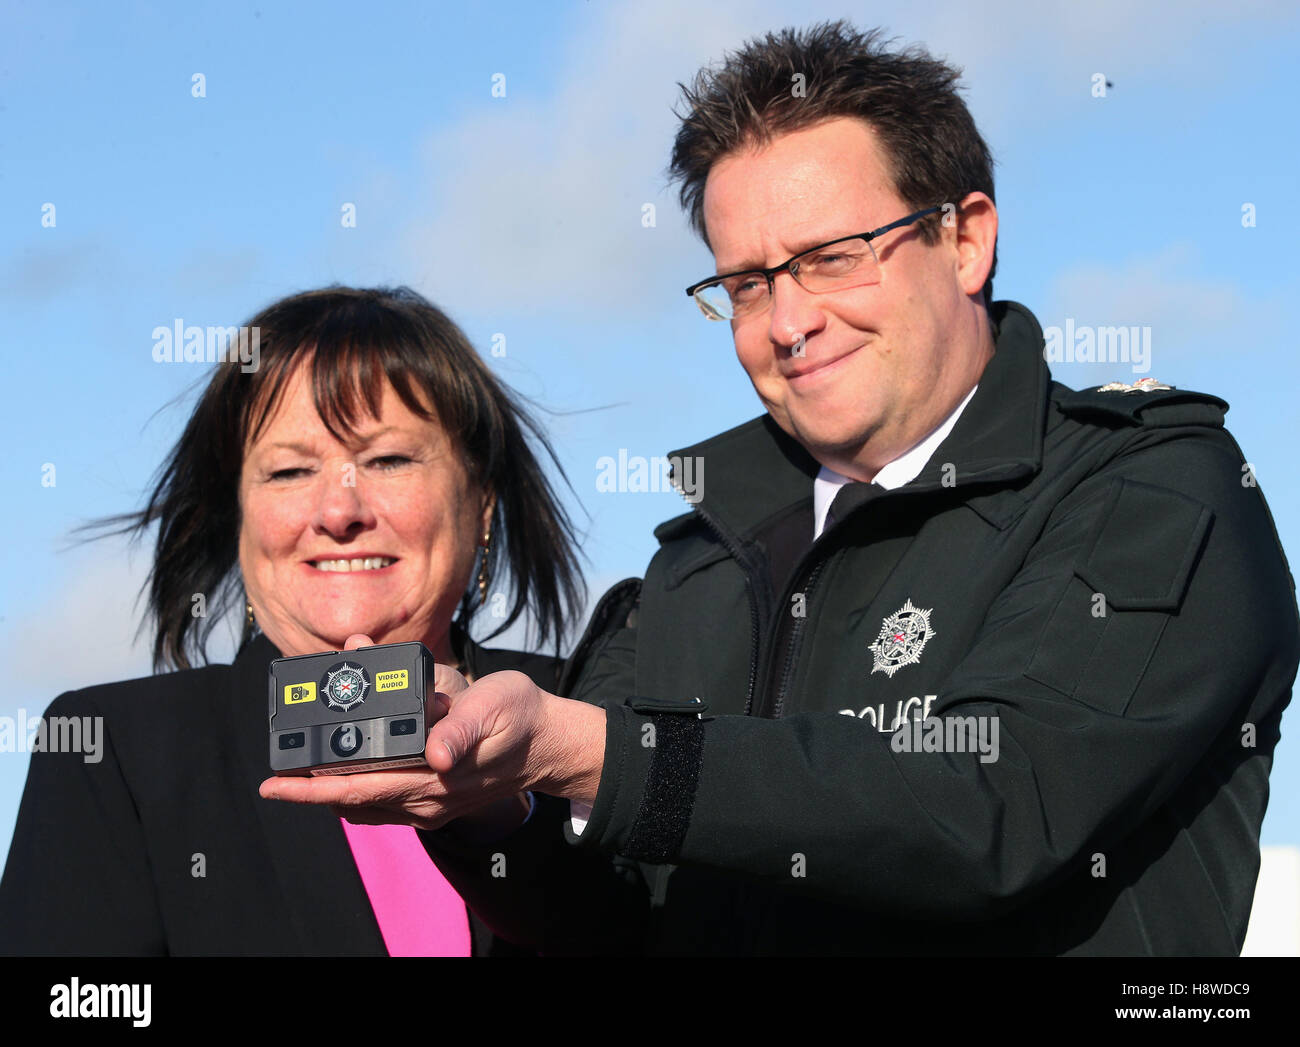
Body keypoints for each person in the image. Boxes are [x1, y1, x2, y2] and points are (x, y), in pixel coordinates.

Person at [260, 23, 1300, 955]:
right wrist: (488, 812)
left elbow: (995, 809)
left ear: (965, 236)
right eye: (747, 282)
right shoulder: (696, 563)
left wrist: (591, 751)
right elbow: (613, 924)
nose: (787, 320)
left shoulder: (1150, 489)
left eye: (832, 257)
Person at [0, 285, 586, 956]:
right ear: (237, 516)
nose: (338, 511)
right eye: (288, 470)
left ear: (482, 499)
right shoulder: (115, 751)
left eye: (387, 458)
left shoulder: (586, 710)